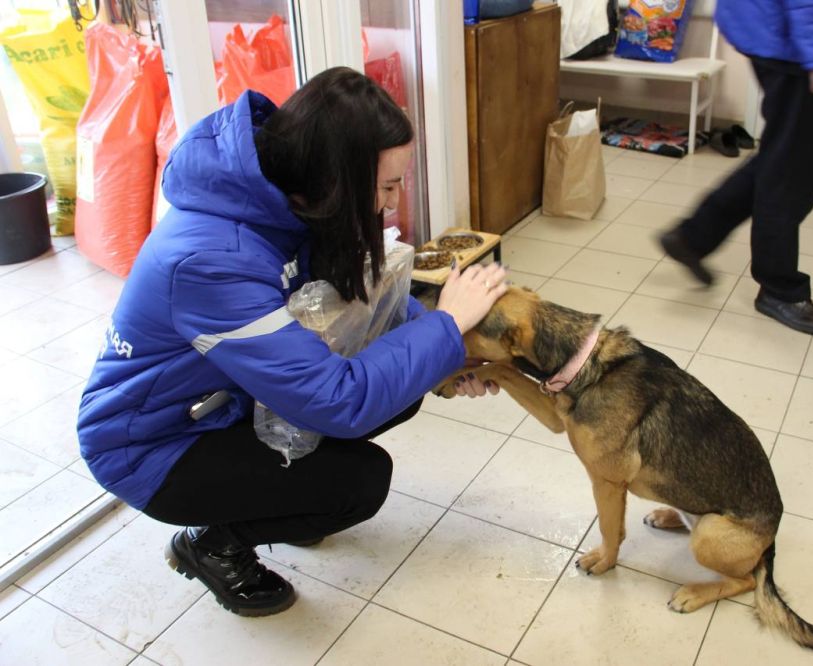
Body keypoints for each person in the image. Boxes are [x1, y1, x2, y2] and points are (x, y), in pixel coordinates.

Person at [77, 68, 506, 617]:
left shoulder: (291, 196)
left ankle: (282, 493)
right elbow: (340, 402)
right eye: (388, 186)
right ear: (336, 176)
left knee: (405, 391)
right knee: (359, 481)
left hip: (222, 401)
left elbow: (374, 313)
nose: (393, 206)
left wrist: (446, 360)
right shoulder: (211, 261)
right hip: (153, 444)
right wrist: (445, 327)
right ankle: (214, 543)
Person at [658, 0, 813, 336]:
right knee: (792, 173)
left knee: (782, 156)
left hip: (779, 27)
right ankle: (779, 290)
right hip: (797, 39)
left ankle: (694, 236)